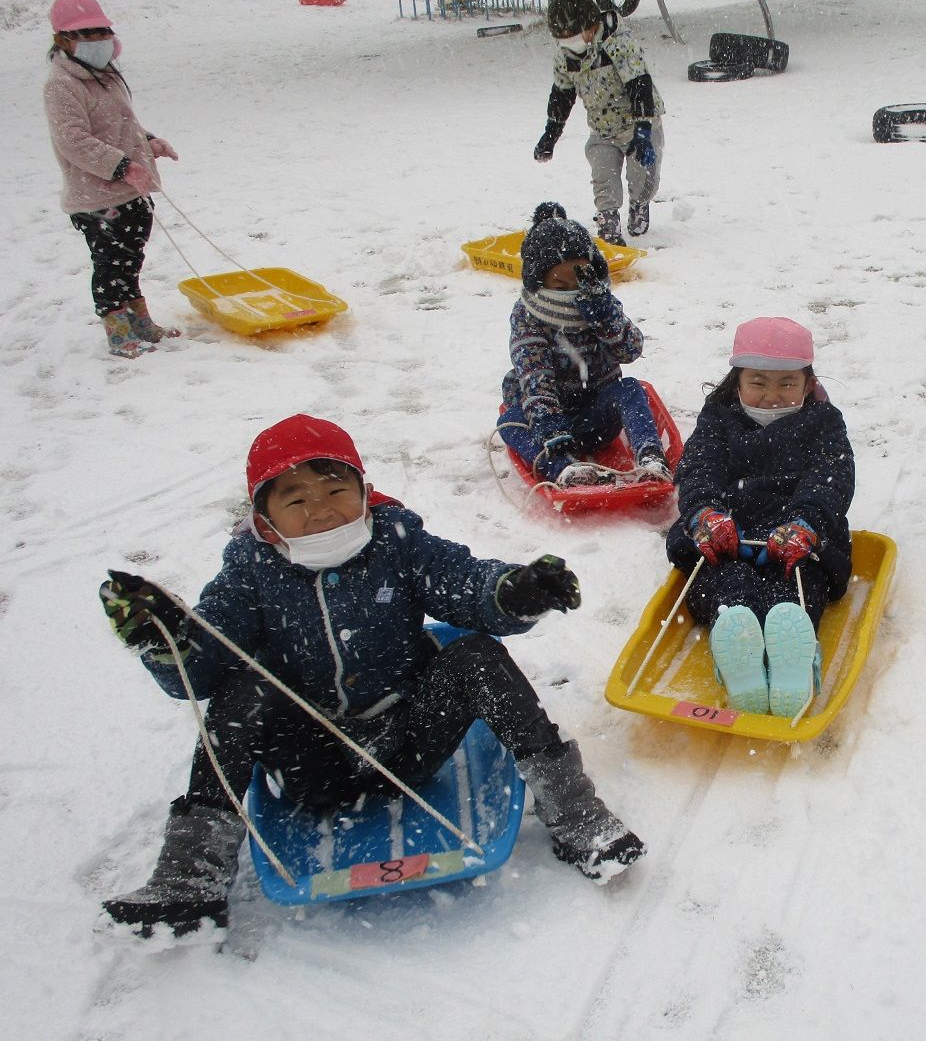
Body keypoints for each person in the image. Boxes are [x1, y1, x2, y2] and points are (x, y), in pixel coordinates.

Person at [97, 414, 645, 939]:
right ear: (264, 518)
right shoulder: (251, 569)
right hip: (309, 762)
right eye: (296, 500)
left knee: (475, 652)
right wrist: (167, 642)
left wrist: (515, 591)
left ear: (363, 492)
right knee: (242, 690)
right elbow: (201, 670)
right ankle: (190, 877)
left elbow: (464, 584)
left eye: (335, 492)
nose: (321, 512)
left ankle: (574, 814)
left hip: (409, 741)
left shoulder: (396, 541)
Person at [666, 318, 855, 717]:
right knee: (722, 580)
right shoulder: (720, 416)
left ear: (808, 382)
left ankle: (793, 654)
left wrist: (807, 522)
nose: (772, 395)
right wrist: (706, 513)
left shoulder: (823, 421)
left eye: (787, 383)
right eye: (758, 382)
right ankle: (739, 643)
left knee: (801, 584)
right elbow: (700, 467)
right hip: (729, 534)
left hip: (796, 538)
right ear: (737, 380)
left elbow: (830, 477)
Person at [43, 0, 181, 359]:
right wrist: (121, 166)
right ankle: (119, 332)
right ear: (64, 40)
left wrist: (149, 142)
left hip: (132, 190)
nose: (95, 41)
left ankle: (141, 321)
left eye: (100, 32)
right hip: (97, 197)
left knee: (132, 260)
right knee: (110, 266)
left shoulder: (105, 76)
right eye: (85, 35)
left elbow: (121, 124)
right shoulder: (62, 84)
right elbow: (72, 139)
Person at [496, 202, 671, 487]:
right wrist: (550, 428)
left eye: (580, 280)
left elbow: (630, 349)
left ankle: (650, 456)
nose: (573, 292)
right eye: (560, 286)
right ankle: (564, 470)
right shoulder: (529, 315)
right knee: (509, 422)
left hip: (597, 414)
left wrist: (603, 315)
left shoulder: (599, 302)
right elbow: (535, 375)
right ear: (539, 282)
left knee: (630, 389)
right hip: (548, 424)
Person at [533, 0, 665, 245]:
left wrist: (643, 130)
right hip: (602, 128)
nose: (569, 43)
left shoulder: (617, 43)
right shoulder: (566, 58)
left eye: (574, 36)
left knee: (643, 175)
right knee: (603, 176)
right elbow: (562, 94)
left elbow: (639, 83)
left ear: (591, 26)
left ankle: (640, 205)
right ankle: (608, 222)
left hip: (637, 121)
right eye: (562, 39)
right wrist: (551, 133)